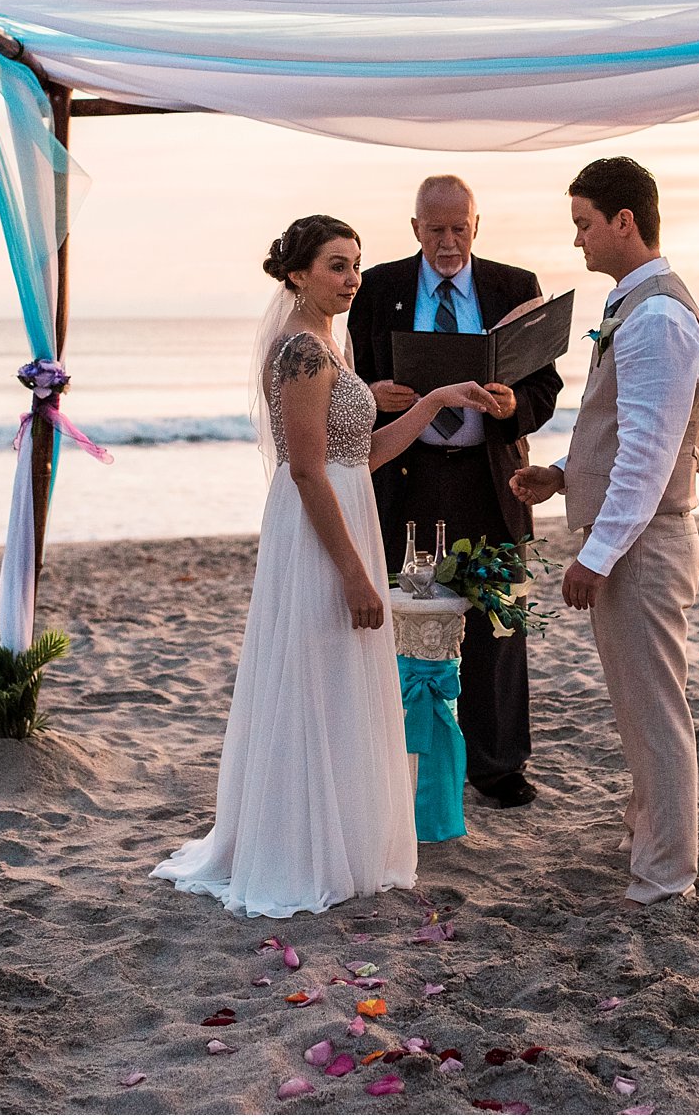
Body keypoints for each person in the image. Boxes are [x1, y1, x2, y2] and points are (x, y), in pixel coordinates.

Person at [153, 215, 502, 919]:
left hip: (348, 506)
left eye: (356, 265)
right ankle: (298, 846)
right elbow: (310, 472)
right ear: (297, 274)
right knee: (312, 673)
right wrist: (352, 573)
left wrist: (435, 399)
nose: (351, 278)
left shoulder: (326, 345)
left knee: (336, 677)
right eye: (337, 265)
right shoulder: (302, 355)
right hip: (320, 529)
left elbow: (361, 454)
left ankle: (337, 835)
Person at [510, 157, 699, 905]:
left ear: (624, 221)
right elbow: (625, 433)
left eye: (584, 225)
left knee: (656, 710)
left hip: (644, 545)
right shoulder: (641, 307)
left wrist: (594, 556)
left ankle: (665, 873)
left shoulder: (657, 317)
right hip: (636, 537)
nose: (578, 243)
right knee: (638, 704)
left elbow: (649, 459)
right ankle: (649, 833)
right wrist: (563, 474)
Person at [348, 175, 563, 810]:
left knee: (500, 625)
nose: (448, 242)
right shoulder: (379, 287)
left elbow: (545, 389)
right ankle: (400, 760)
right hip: (403, 481)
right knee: (401, 621)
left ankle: (497, 767)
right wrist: (372, 397)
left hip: (491, 482)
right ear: (415, 228)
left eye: (459, 228)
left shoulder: (515, 287)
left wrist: (511, 405)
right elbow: (345, 380)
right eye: (435, 229)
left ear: (477, 225)